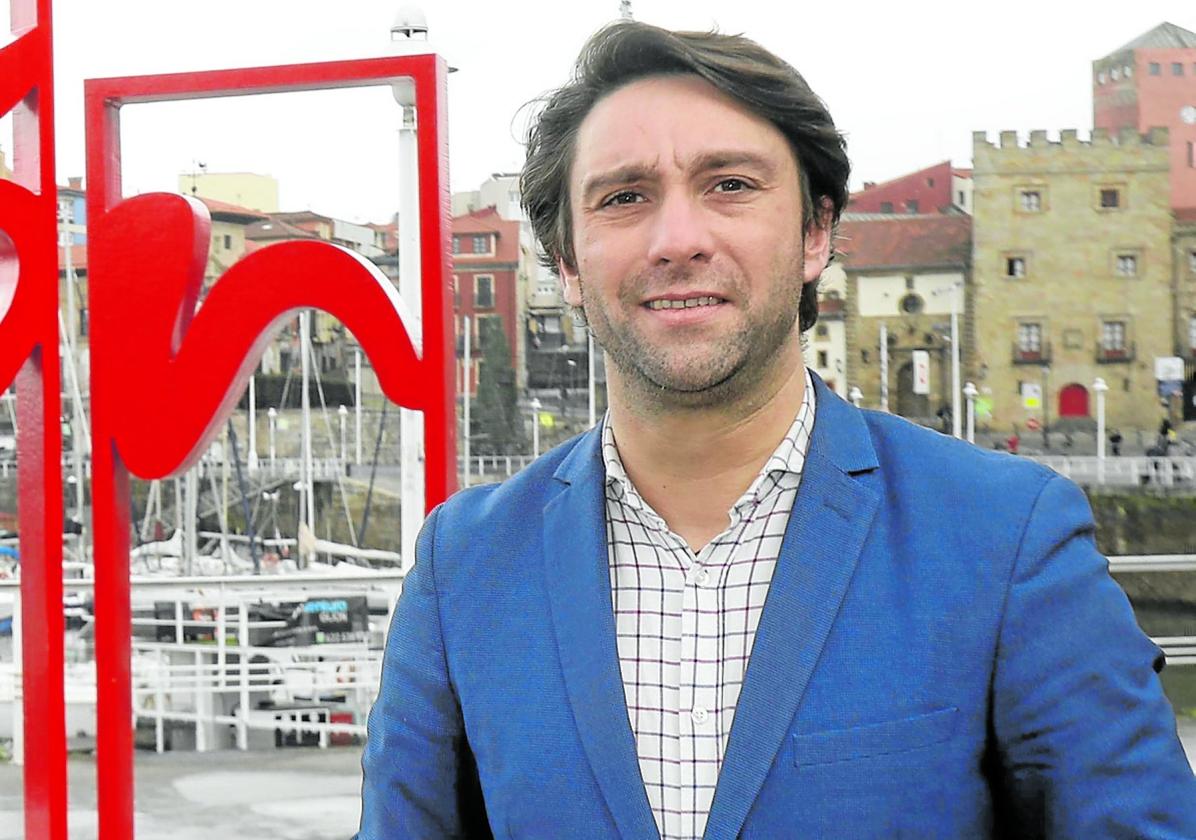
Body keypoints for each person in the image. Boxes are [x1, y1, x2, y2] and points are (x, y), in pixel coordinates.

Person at [357, 22, 1196, 839]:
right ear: (569, 264)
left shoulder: (1005, 539)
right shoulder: (463, 567)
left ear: (815, 233)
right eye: (624, 197)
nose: (678, 240)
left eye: (730, 185)